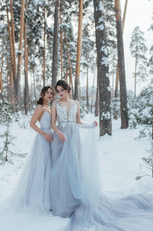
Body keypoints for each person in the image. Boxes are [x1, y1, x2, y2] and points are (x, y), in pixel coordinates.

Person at [50, 80, 153, 231]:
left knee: (74, 167)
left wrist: (89, 126)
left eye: (62, 90)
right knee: (60, 169)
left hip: (74, 137)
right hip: (60, 138)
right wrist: (59, 133)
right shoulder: (55, 104)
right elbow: (53, 123)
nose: (60, 93)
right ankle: (60, 202)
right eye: (58, 90)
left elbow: (77, 121)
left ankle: (73, 198)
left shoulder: (76, 103)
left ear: (67, 89)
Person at [10, 86, 54, 212]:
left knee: (49, 167)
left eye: (51, 93)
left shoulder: (49, 108)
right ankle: (38, 198)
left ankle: (49, 196)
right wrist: (44, 134)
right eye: (47, 93)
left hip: (51, 138)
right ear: (42, 94)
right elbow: (32, 124)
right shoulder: (40, 107)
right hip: (43, 140)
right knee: (42, 167)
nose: (50, 95)